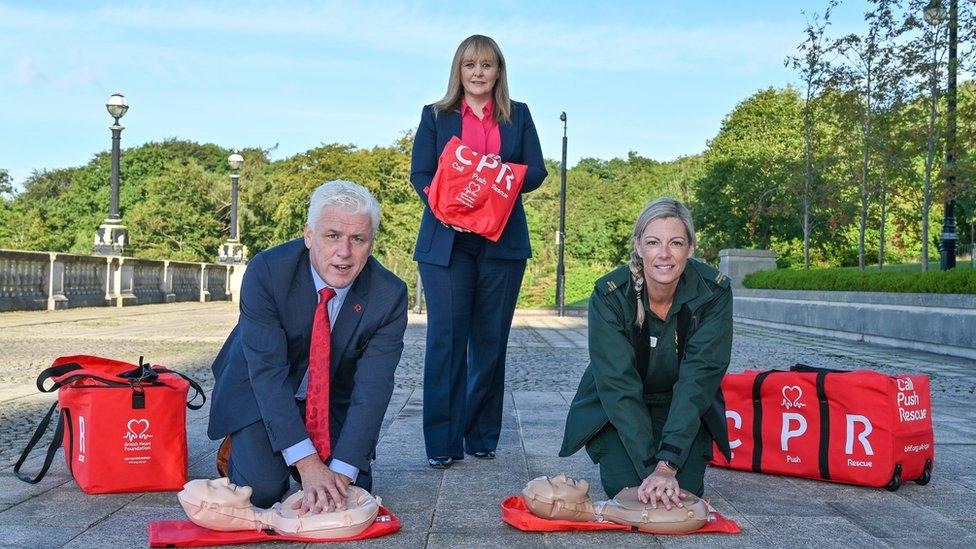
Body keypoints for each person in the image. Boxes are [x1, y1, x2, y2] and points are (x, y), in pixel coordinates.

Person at [208, 180, 408, 513]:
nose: (344, 252)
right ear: (309, 236)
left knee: (352, 491)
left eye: (357, 239)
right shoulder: (268, 272)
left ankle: (311, 458)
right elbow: (267, 374)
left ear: (371, 244)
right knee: (262, 490)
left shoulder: (389, 295)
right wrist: (308, 463)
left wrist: (341, 474)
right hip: (261, 391)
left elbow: (373, 389)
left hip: (330, 398)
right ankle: (242, 443)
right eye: (332, 236)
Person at [410, 34, 547, 468]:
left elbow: (537, 170)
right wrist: (450, 200)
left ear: (498, 71)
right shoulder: (435, 115)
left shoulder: (518, 115)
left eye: (486, 65)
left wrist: (492, 181)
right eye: (470, 65)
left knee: (490, 342)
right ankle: (442, 444)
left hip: (501, 241)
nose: (478, 73)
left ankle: (482, 435)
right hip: (446, 241)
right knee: (446, 341)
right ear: (459, 71)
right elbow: (421, 173)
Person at [558, 197, 733, 509]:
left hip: (678, 402)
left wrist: (668, 465)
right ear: (638, 245)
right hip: (620, 408)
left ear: (690, 248)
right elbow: (618, 385)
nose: (664, 254)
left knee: (684, 490)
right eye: (653, 242)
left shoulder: (714, 293)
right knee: (626, 490)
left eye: (676, 243)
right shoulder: (609, 294)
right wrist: (652, 467)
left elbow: (698, 380)